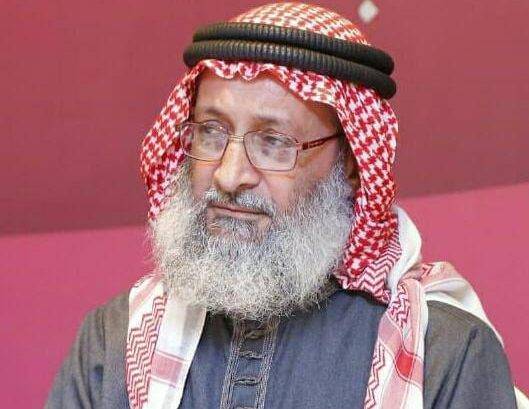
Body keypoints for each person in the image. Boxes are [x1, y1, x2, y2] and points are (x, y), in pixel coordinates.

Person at [46, 2, 528, 408]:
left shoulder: (443, 352)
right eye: (211, 132)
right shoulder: (114, 340)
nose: (229, 175)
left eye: (274, 142)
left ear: (352, 165)